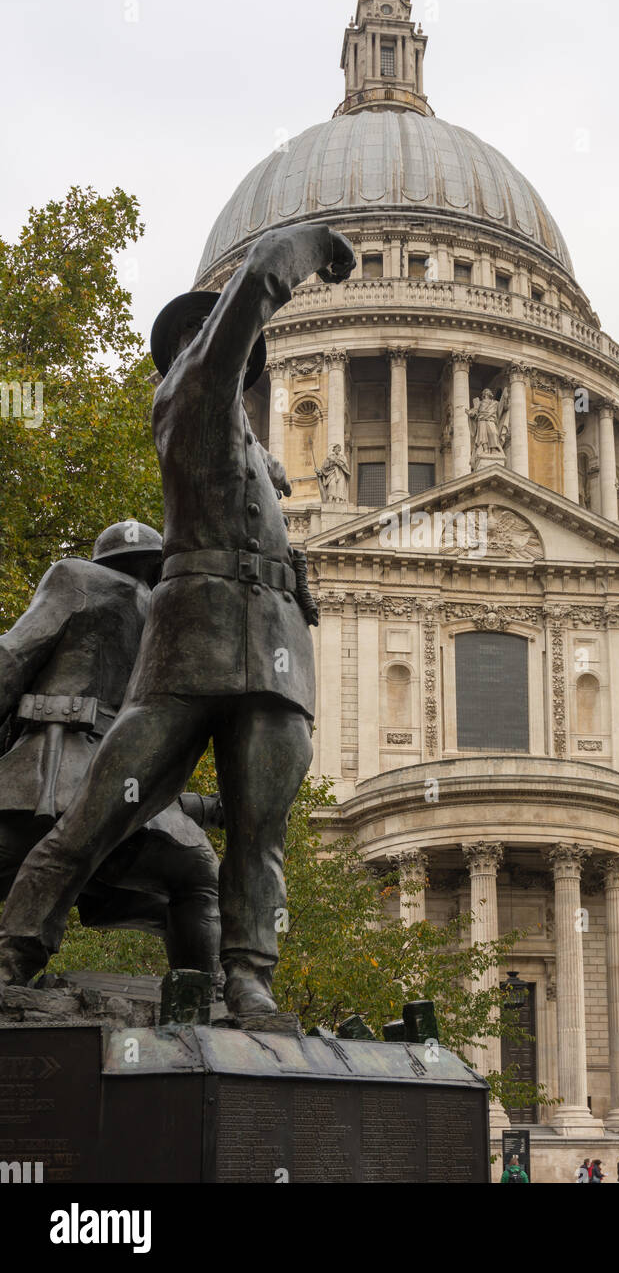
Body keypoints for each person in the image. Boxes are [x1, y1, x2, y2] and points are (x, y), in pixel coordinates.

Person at [0, 223, 356, 1019]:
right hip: (193, 640)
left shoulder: (260, 466)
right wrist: (309, 251)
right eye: (203, 333)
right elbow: (257, 282)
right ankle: (16, 950)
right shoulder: (191, 396)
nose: (215, 343)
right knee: (100, 808)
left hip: (271, 655)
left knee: (260, 835)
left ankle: (248, 976)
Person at [0, 522, 220, 974]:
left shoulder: (78, 578)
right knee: (196, 876)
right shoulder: (168, 618)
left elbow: (13, 657)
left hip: (54, 779)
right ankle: (204, 1000)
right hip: (99, 785)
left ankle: (11, 966)